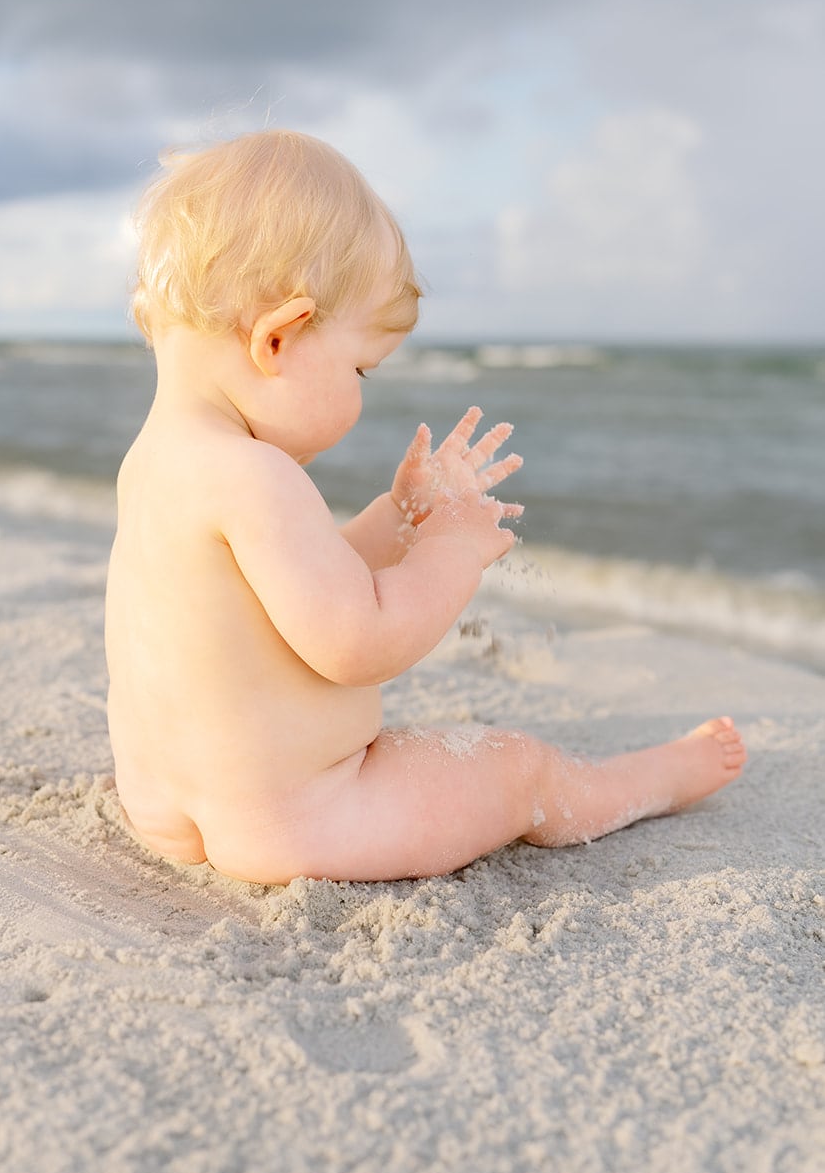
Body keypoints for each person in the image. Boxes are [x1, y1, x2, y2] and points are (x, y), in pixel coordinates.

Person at [104, 130, 745, 884]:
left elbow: (288, 590)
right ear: (278, 340)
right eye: (359, 370)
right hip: (304, 816)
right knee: (518, 770)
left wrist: (396, 518)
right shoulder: (256, 475)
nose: (360, 395)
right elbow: (358, 642)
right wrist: (450, 552)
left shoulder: (156, 462)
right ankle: (649, 783)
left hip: (173, 813)